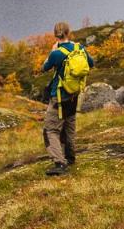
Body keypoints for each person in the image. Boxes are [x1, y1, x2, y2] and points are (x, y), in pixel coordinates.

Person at [40, 22, 94, 176]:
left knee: (50, 130)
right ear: (69, 32)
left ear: (55, 34)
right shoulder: (79, 48)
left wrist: (51, 52)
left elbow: (44, 68)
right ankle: (70, 158)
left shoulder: (56, 53)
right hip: (74, 95)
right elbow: (91, 63)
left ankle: (59, 163)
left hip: (59, 97)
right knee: (69, 126)